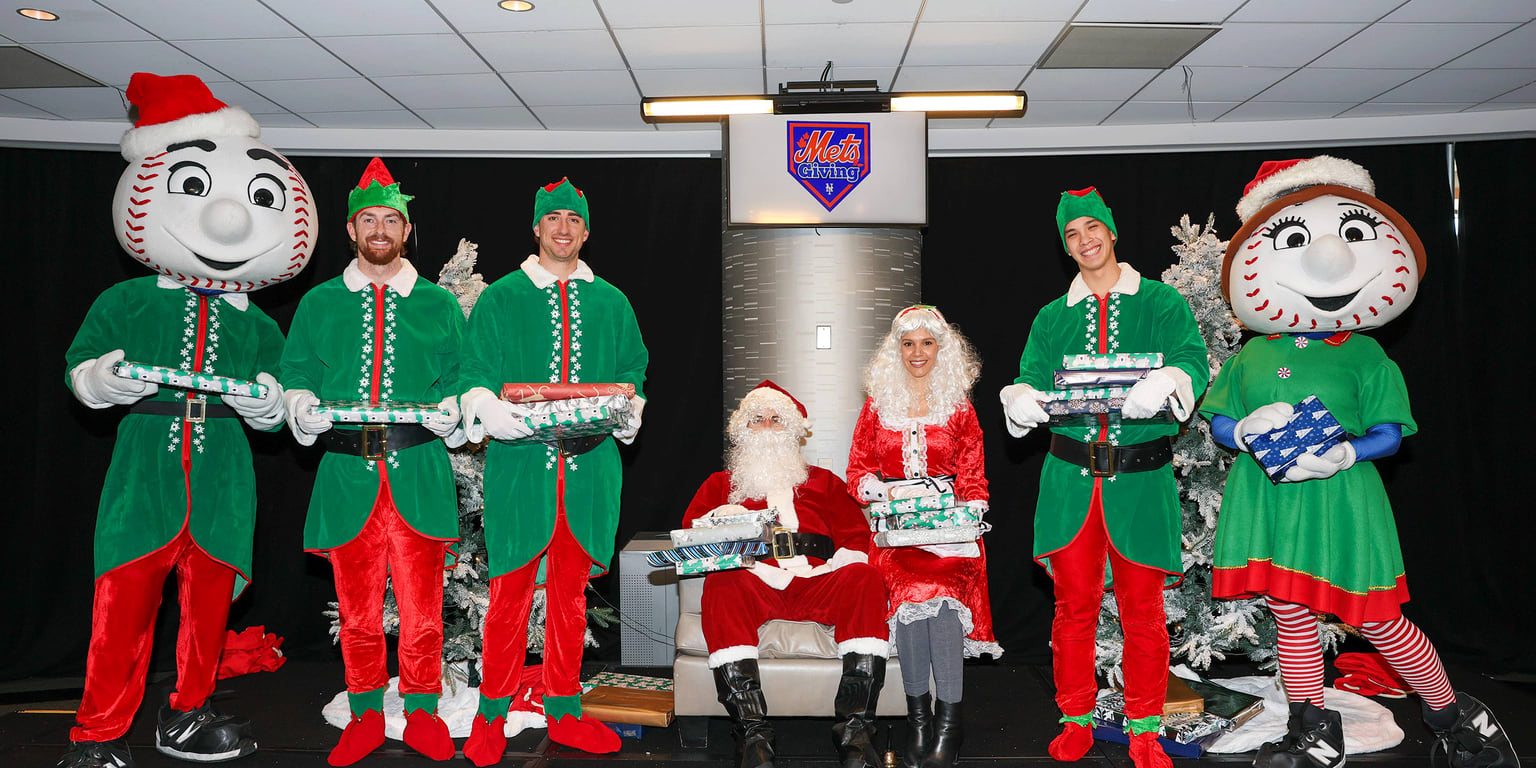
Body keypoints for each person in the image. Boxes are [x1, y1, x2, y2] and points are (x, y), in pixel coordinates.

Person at [1202, 156, 1520, 768]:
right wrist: (1240, 430)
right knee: (1290, 613)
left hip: (1342, 497)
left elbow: (1390, 434)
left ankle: (1456, 722)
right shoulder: (1250, 355)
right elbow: (1218, 419)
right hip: (1268, 492)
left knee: (1378, 618)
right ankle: (1313, 732)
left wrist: (1347, 450)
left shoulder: (1367, 355)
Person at [60, 73, 307, 768]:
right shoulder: (126, 301)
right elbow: (79, 366)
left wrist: (268, 407)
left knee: (208, 612)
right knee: (122, 610)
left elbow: (281, 401)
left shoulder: (259, 324)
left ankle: (188, 714)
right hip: (144, 472)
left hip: (224, 477)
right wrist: (99, 380)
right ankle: (98, 735)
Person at [999, 187, 1208, 768]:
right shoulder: (1051, 316)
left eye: (1092, 227)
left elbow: (1192, 359)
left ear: (1111, 232)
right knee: (1073, 609)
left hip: (1141, 484)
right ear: (1065, 247)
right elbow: (1031, 375)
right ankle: (1075, 718)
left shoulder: (1160, 302)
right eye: (1072, 234)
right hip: (1069, 484)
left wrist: (1167, 381)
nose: (1085, 240)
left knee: (1144, 612)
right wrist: (1020, 397)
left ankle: (1145, 728)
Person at [278, 158, 466, 765]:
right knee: (357, 614)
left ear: (406, 230)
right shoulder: (319, 302)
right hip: (345, 477)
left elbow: (461, 376)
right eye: (368, 220)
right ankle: (363, 714)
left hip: (419, 473)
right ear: (351, 230)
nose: (379, 230)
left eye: (390, 220)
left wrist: (454, 409)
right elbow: (296, 371)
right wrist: (299, 403)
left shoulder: (438, 304)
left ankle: (421, 712)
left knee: (422, 613)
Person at [457, 178, 648, 765]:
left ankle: (564, 709)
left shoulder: (612, 301)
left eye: (574, 219)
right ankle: (492, 713)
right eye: (553, 218)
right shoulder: (502, 297)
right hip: (521, 470)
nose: (563, 228)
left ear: (586, 232)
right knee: (508, 593)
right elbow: (474, 369)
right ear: (536, 227)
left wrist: (631, 408)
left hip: (589, 473)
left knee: (570, 597)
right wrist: (485, 406)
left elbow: (632, 368)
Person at [684, 381, 891, 768]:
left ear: (794, 430)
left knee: (865, 578)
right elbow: (690, 537)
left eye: (776, 419)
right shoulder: (720, 484)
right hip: (755, 579)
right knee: (723, 581)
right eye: (756, 419)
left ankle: (856, 734)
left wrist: (838, 565)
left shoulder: (825, 481)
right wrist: (718, 520)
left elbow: (856, 536)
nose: (766, 427)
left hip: (819, 579)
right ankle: (753, 735)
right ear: (743, 430)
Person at [845, 305, 1001, 768]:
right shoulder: (877, 406)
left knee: (944, 597)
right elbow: (856, 472)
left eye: (927, 343)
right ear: (896, 350)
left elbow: (973, 473)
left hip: (949, 532)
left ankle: (949, 724)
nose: (918, 352)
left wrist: (970, 508)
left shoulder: (959, 406)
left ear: (941, 349)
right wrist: (885, 491)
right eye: (908, 343)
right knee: (910, 596)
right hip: (896, 534)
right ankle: (919, 721)